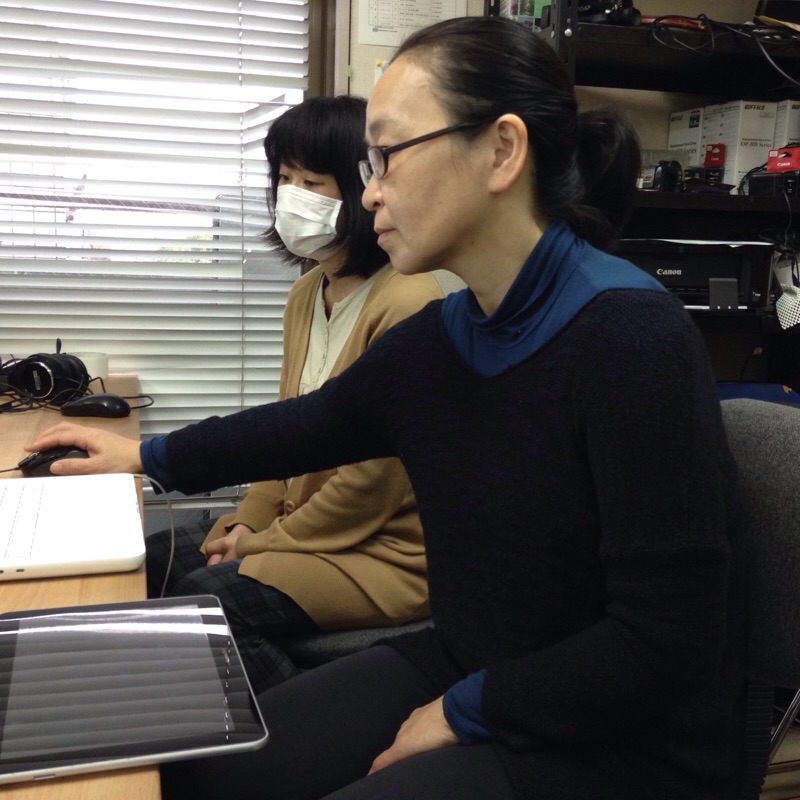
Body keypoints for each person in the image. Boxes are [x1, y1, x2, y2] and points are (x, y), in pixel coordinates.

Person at [28, 16, 747, 800]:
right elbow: (301, 427)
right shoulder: (444, 336)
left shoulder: (631, 339)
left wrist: (467, 710)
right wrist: (142, 456)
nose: (368, 191)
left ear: (501, 150)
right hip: (475, 660)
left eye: (389, 155)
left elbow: (666, 643)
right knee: (203, 778)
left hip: (627, 738)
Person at [143, 95, 442, 694]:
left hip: (382, 552)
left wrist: (260, 543)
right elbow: (285, 437)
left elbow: (374, 485)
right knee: (153, 557)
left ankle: (306, 725)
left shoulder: (411, 300)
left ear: (362, 188)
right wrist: (248, 522)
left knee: (203, 603)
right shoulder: (306, 294)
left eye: (312, 181)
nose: (292, 195)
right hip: (302, 529)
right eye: (284, 178)